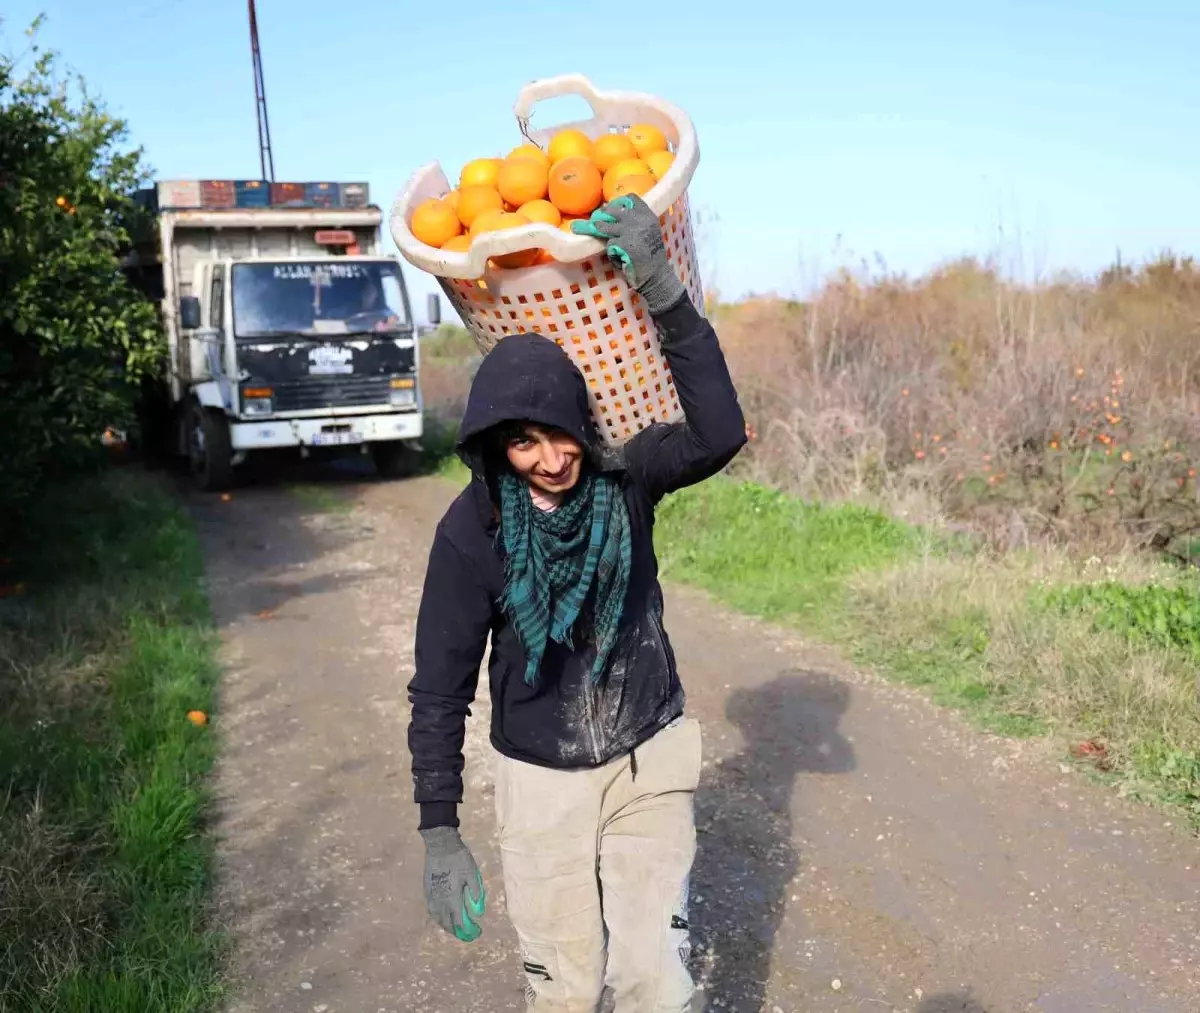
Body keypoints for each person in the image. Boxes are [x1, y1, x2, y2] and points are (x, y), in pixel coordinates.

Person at [407, 193, 746, 1012]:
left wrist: (663, 289)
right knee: (563, 987)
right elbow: (440, 687)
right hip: (540, 778)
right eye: (524, 441)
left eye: (560, 433)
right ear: (496, 445)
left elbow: (719, 432)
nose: (551, 457)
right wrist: (439, 826)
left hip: (645, 755)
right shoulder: (472, 533)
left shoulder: (626, 478)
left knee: (655, 981)